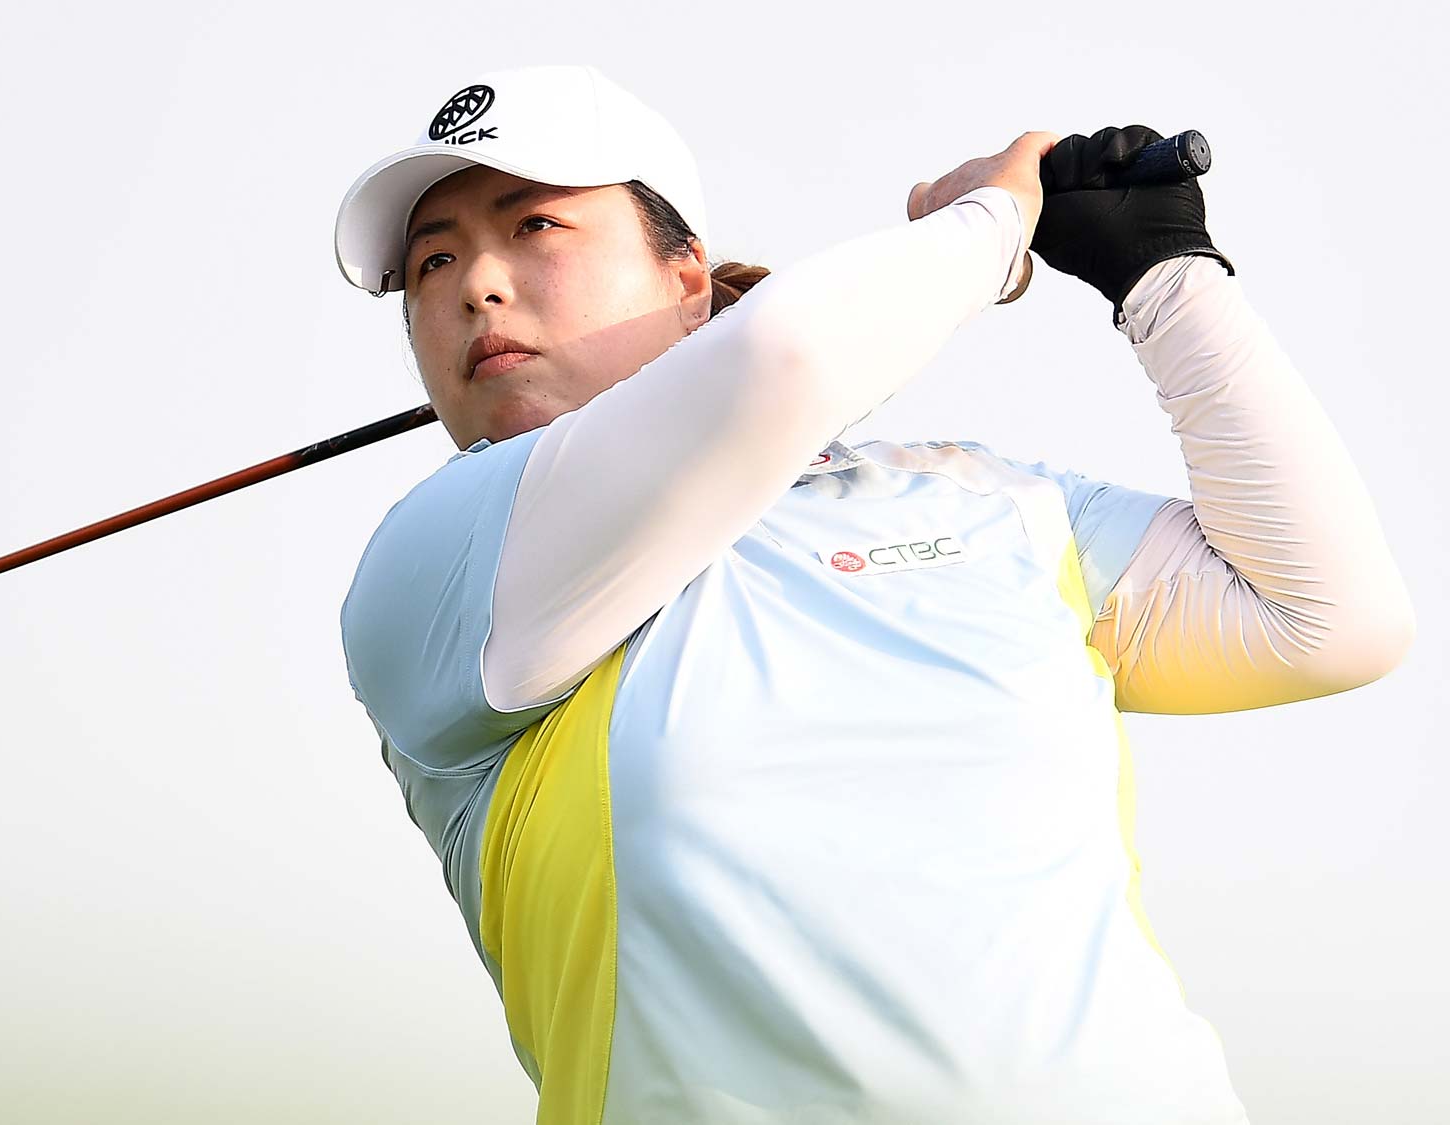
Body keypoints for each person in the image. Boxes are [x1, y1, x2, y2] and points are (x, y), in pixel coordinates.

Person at [332, 65, 1414, 1124]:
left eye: (533, 228)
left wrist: (1167, 277)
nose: (473, 283)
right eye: (431, 262)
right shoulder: (438, 568)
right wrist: (988, 223)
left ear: (684, 279)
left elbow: (1324, 622)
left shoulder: (981, 501)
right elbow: (787, 358)